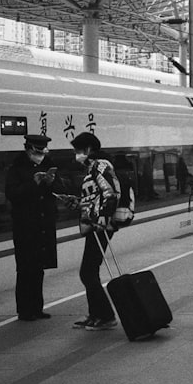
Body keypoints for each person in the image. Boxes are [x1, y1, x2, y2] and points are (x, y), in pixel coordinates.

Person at [6, 134, 62, 322]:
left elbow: (59, 189)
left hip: (43, 226)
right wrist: (34, 184)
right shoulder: (16, 169)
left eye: (43, 151)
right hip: (25, 228)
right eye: (37, 151)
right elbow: (12, 194)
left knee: (39, 269)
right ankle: (24, 310)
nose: (41, 155)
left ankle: (37, 308)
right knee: (24, 269)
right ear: (28, 149)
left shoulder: (48, 165)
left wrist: (50, 182)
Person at [70, 132, 120, 331]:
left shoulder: (101, 166)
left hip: (100, 226)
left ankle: (106, 316)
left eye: (78, 150)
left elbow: (110, 194)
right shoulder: (93, 168)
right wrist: (77, 202)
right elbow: (95, 197)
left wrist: (102, 219)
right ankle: (95, 315)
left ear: (88, 149)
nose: (76, 155)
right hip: (94, 224)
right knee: (90, 272)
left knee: (87, 272)